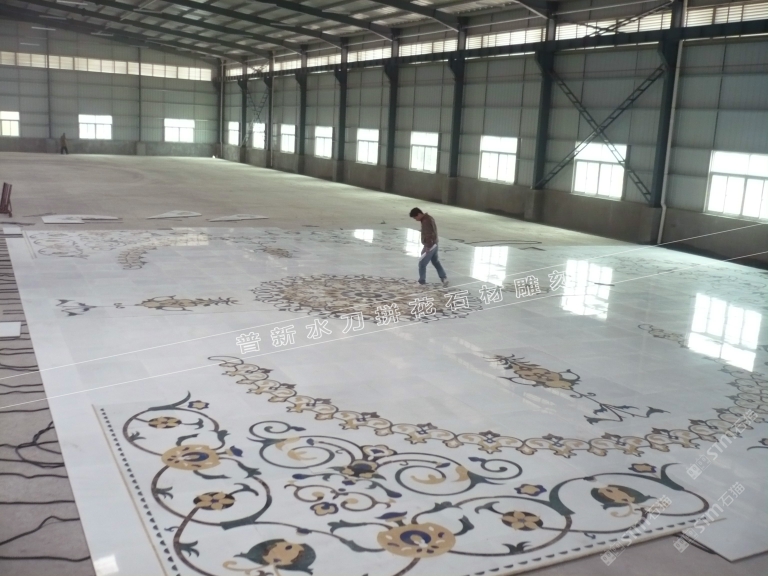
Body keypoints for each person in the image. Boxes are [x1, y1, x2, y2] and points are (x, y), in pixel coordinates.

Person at [410, 207, 448, 287]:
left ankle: (421, 281)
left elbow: (428, 234)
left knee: (422, 264)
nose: (416, 220)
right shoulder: (429, 218)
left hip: (430, 245)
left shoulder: (425, 221)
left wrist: (428, 247)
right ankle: (444, 278)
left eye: (415, 217)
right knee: (435, 262)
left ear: (419, 214)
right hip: (435, 244)